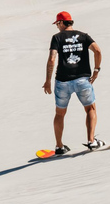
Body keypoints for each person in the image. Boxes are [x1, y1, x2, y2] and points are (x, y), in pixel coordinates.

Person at [42, 11, 104, 155]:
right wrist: (96, 70)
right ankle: (91, 141)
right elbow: (98, 51)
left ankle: (59, 146)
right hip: (83, 80)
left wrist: (47, 81)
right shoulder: (84, 36)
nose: (57, 27)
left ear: (62, 23)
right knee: (90, 109)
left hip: (62, 81)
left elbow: (52, 59)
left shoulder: (57, 38)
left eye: (57, 24)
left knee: (60, 114)